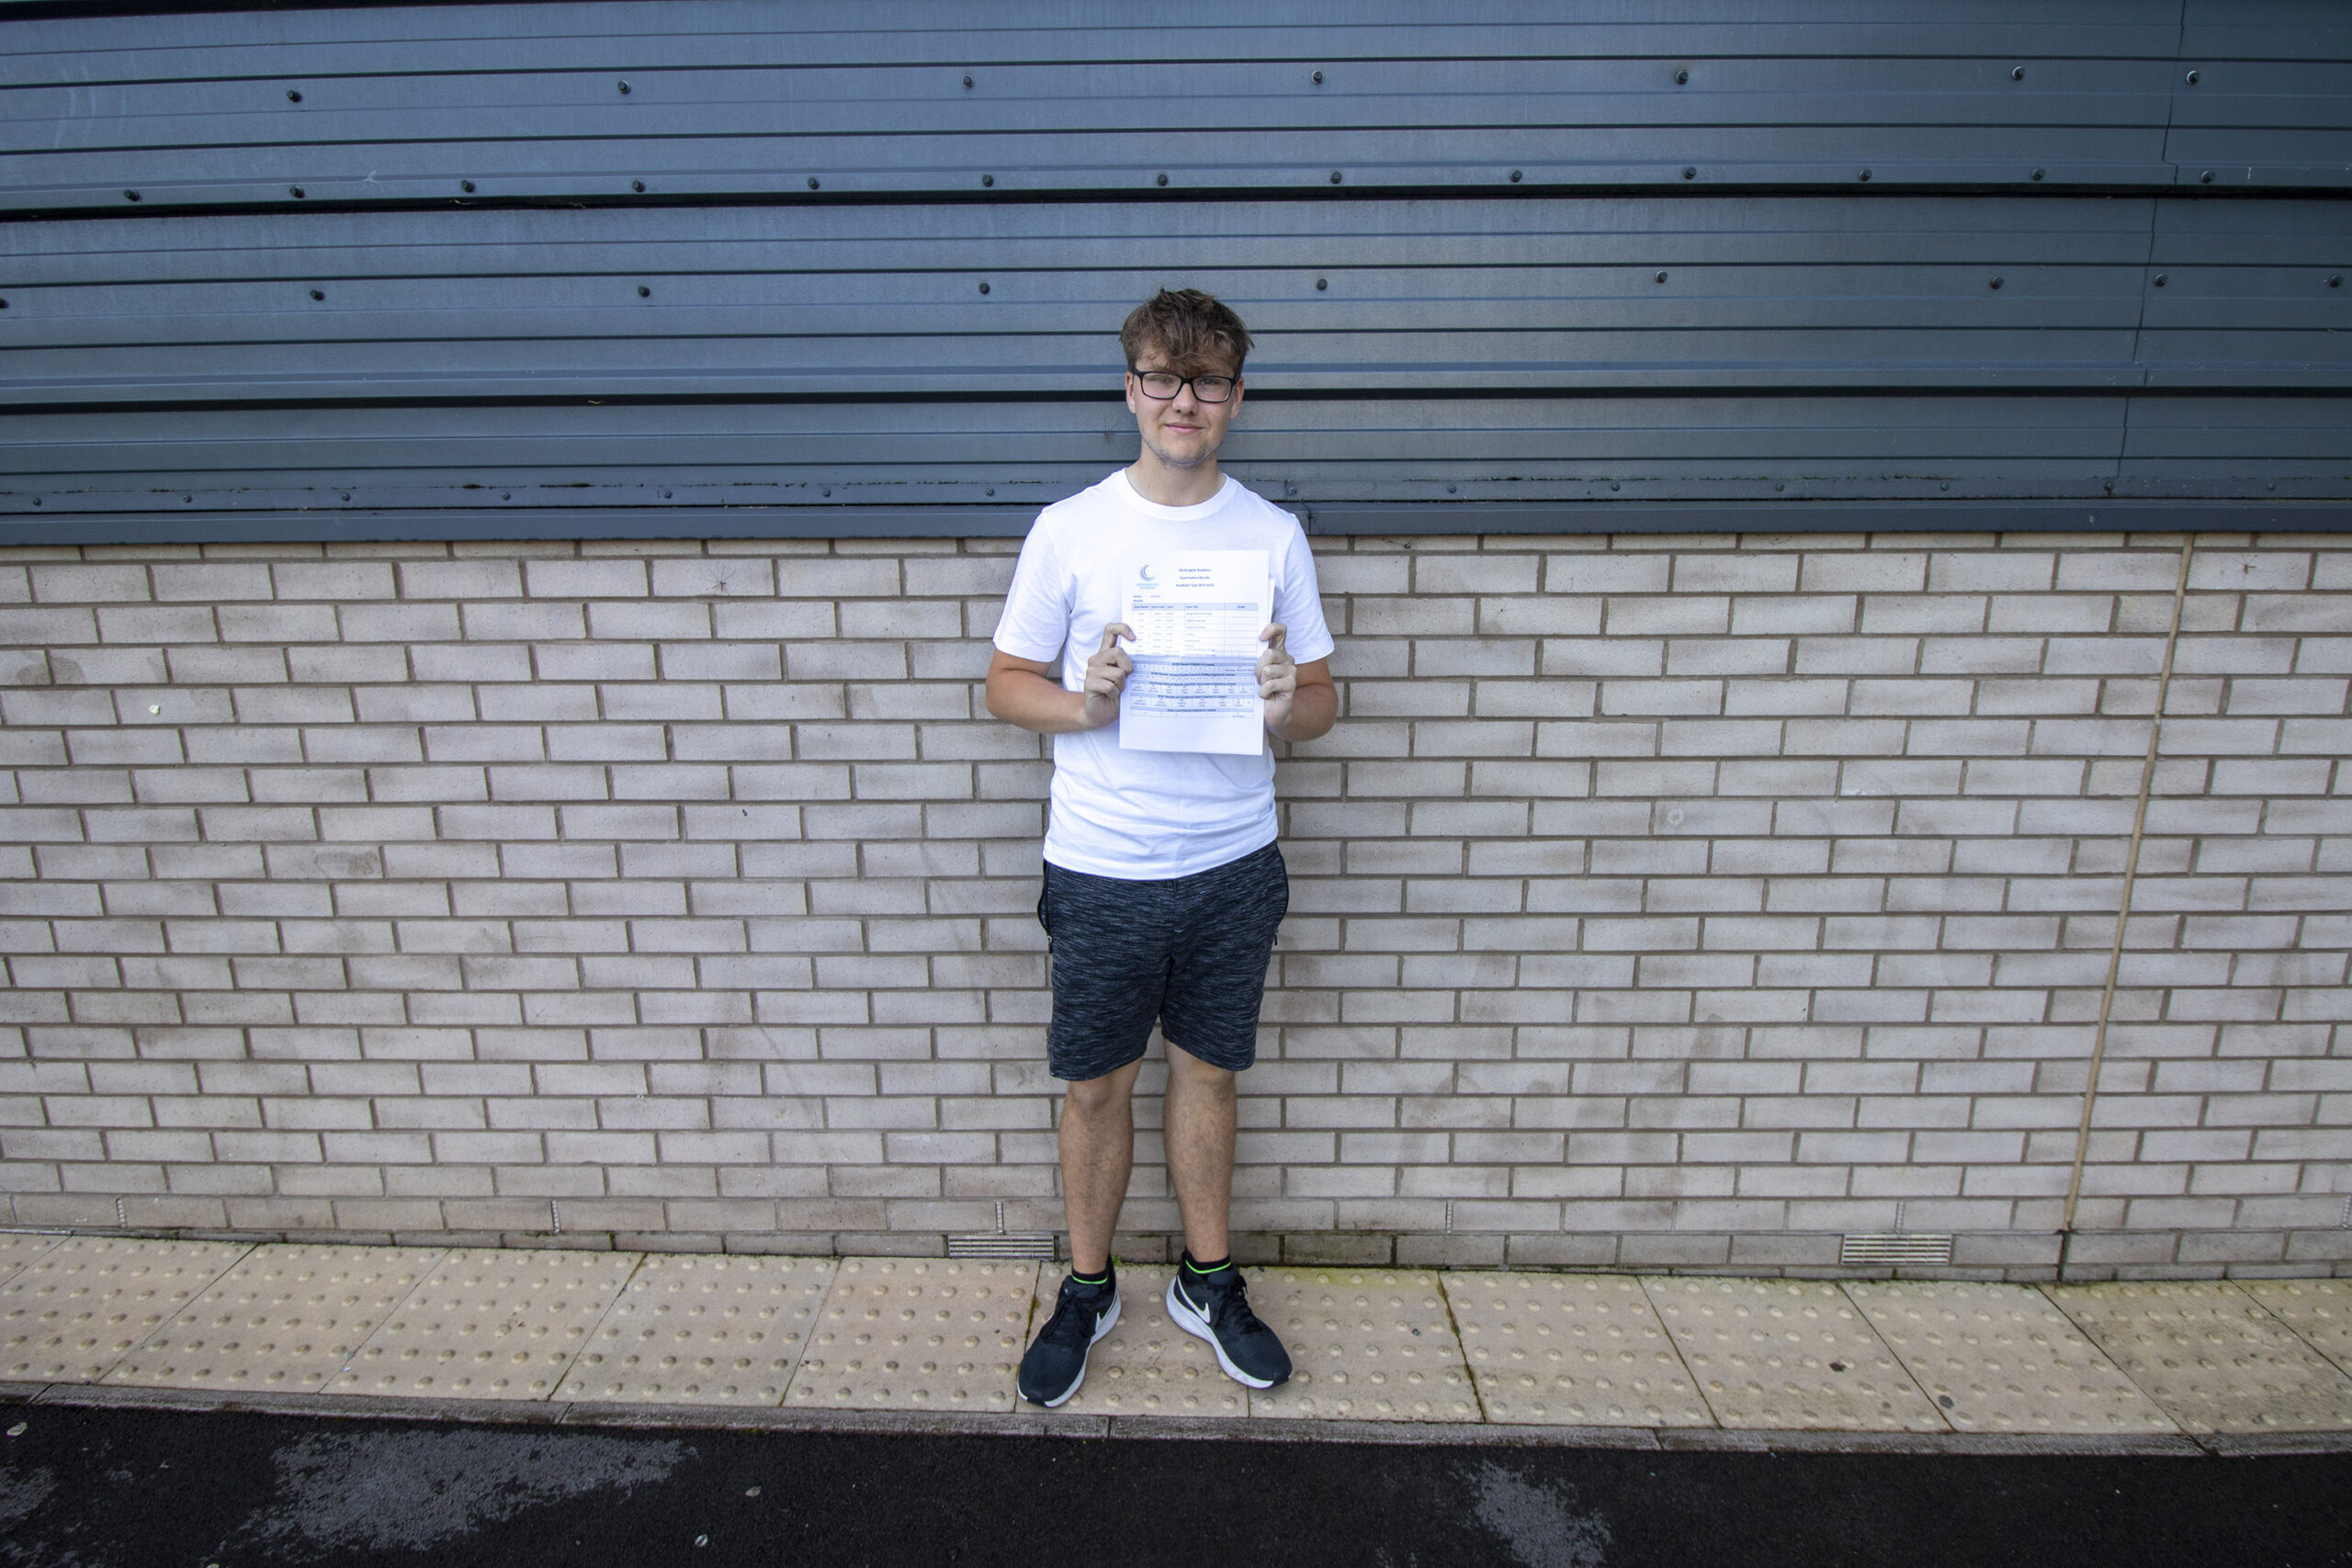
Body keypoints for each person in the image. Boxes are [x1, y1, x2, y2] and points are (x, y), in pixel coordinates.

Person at [986, 288, 1339, 1407]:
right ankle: (1088, 1289)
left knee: (1210, 1074)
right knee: (1096, 1085)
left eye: (1208, 382)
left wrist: (1283, 705)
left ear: (1235, 398)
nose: (1184, 401)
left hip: (1232, 861)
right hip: (1104, 863)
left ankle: (1205, 1280)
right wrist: (1083, 705)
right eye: (1162, 378)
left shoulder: (1270, 534)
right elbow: (1003, 684)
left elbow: (1322, 701)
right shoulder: (1071, 528)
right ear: (1131, 389)